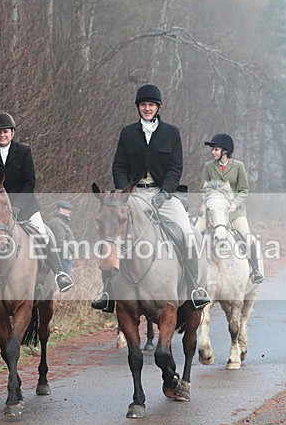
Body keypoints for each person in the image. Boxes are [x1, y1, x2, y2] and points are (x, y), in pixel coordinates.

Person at [91, 84, 210, 312]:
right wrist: (124, 191)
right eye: (144, 105)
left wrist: (165, 192)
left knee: (187, 232)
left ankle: (194, 288)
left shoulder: (171, 132)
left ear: (158, 107)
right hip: (132, 194)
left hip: (163, 194)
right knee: (112, 232)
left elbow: (176, 167)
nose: (147, 108)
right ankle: (107, 292)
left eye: (151, 105)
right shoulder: (127, 132)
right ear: (138, 107)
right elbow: (119, 165)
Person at [0, 112, 74, 299]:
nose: (1, 135)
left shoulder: (23, 152)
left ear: (12, 132)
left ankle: (60, 274)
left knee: (43, 234)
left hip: (25, 207)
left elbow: (29, 182)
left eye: (5, 131)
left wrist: (16, 206)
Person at [195, 132, 263, 284]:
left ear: (225, 151)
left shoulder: (238, 166)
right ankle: (191, 273)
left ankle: (255, 270)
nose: (212, 152)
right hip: (213, 211)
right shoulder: (208, 167)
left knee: (247, 237)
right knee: (192, 234)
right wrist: (204, 204)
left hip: (234, 212)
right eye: (212, 149)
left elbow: (244, 189)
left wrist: (235, 203)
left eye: (215, 149)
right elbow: (203, 189)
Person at [48, 200, 75, 275]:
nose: (70, 212)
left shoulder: (61, 222)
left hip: (63, 258)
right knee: (64, 282)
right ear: (61, 210)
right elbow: (60, 243)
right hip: (62, 258)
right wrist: (68, 255)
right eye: (68, 209)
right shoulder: (57, 223)